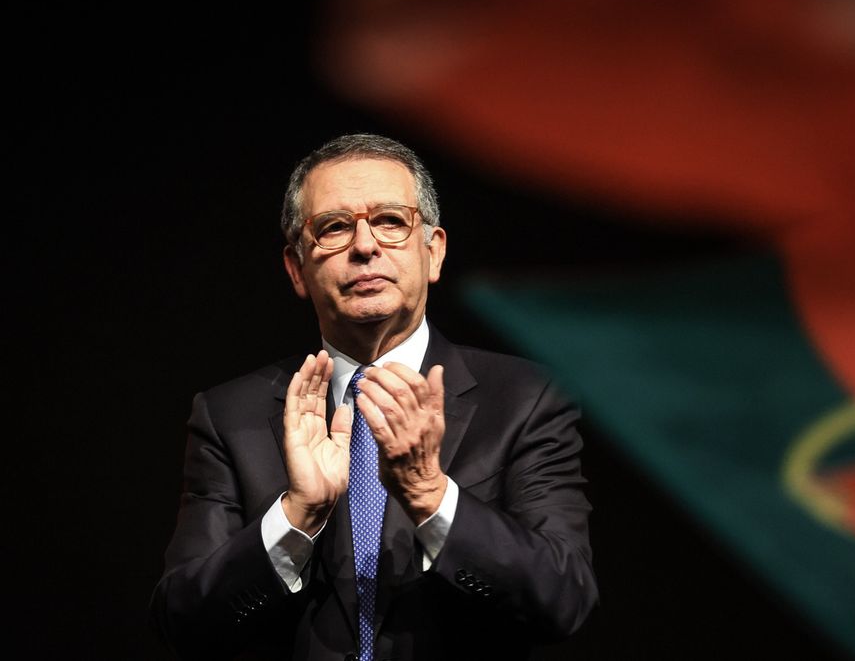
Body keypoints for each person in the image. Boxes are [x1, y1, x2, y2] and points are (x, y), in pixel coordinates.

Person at [151, 133, 598, 660]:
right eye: (335, 228)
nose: (365, 246)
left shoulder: (526, 399)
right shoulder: (231, 417)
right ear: (297, 269)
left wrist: (429, 493)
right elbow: (182, 620)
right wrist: (296, 518)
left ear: (433, 252)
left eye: (390, 221)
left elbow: (562, 600)